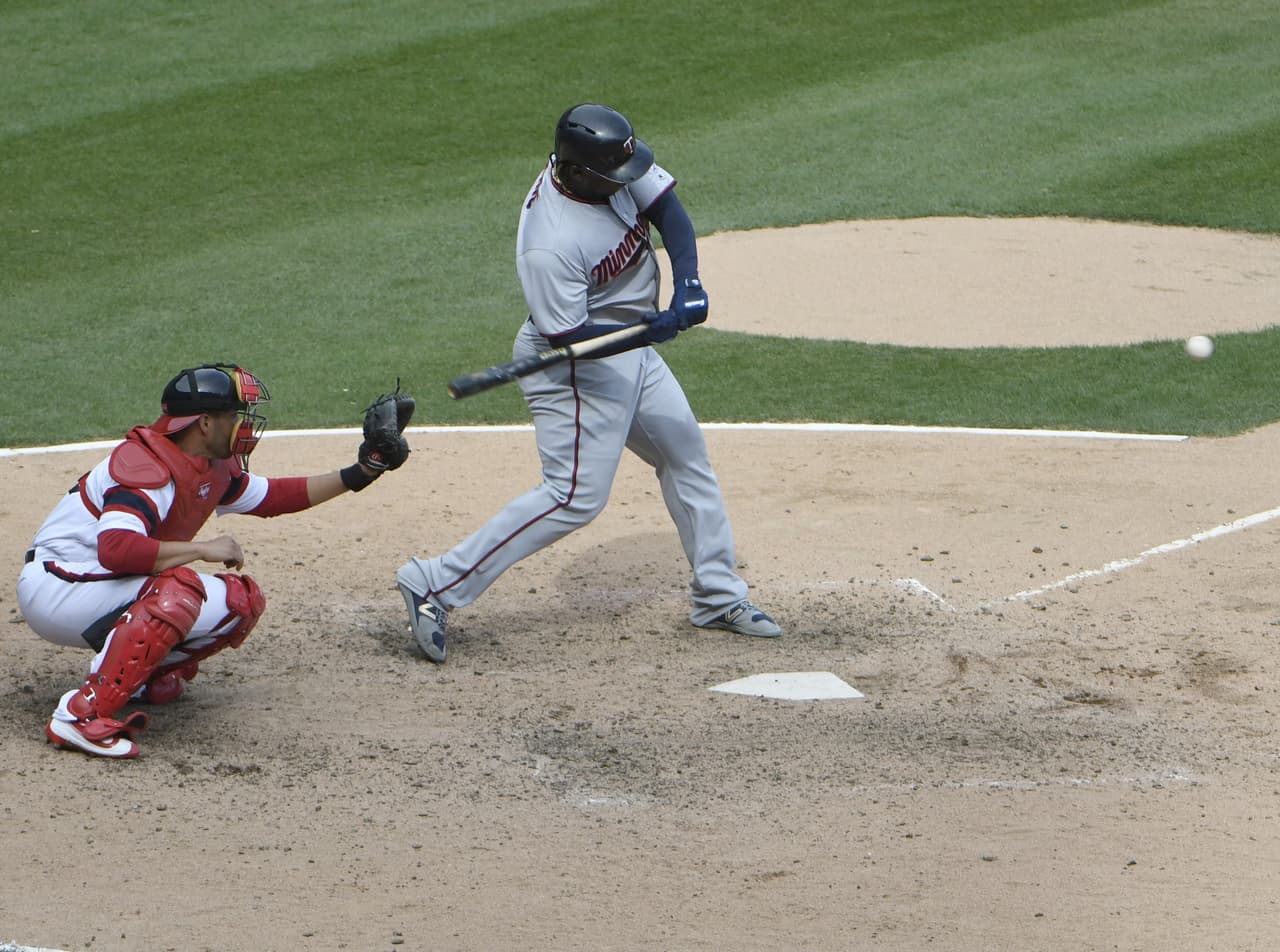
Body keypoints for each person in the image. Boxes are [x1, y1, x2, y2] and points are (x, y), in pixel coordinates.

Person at [396, 102, 779, 664]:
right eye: (613, 179)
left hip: (632, 341)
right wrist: (651, 329)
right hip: (575, 365)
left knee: (684, 454)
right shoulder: (549, 241)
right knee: (573, 496)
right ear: (575, 173)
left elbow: (669, 210)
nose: (626, 183)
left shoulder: (607, 159)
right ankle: (432, 581)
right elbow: (569, 334)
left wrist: (688, 283)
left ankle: (717, 597)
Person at [17, 363, 411, 759]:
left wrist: (362, 471)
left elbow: (273, 496)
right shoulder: (145, 465)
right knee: (178, 589)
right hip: (58, 586)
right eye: (233, 416)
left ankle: (136, 679)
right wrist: (202, 548)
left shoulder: (207, 465)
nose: (242, 425)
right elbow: (116, 549)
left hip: (98, 584)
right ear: (205, 423)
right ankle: (79, 717)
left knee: (241, 601)